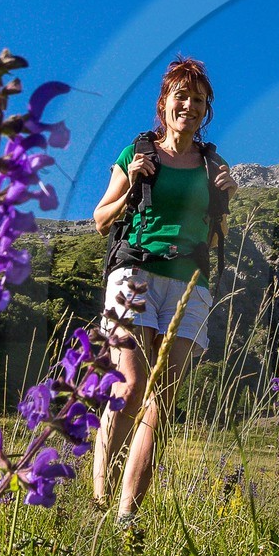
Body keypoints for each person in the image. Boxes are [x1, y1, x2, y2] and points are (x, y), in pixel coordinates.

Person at [92, 57, 237, 521]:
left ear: (206, 109)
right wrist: (132, 183)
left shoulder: (213, 165)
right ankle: (100, 491)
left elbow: (218, 240)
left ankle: (126, 515)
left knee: (163, 399)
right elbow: (99, 220)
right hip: (134, 272)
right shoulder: (137, 152)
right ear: (164, 103)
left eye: (198, 100)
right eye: (182, 97)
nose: (189, 106)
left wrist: (224, 201)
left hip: (188, 283)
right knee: (132, 385)